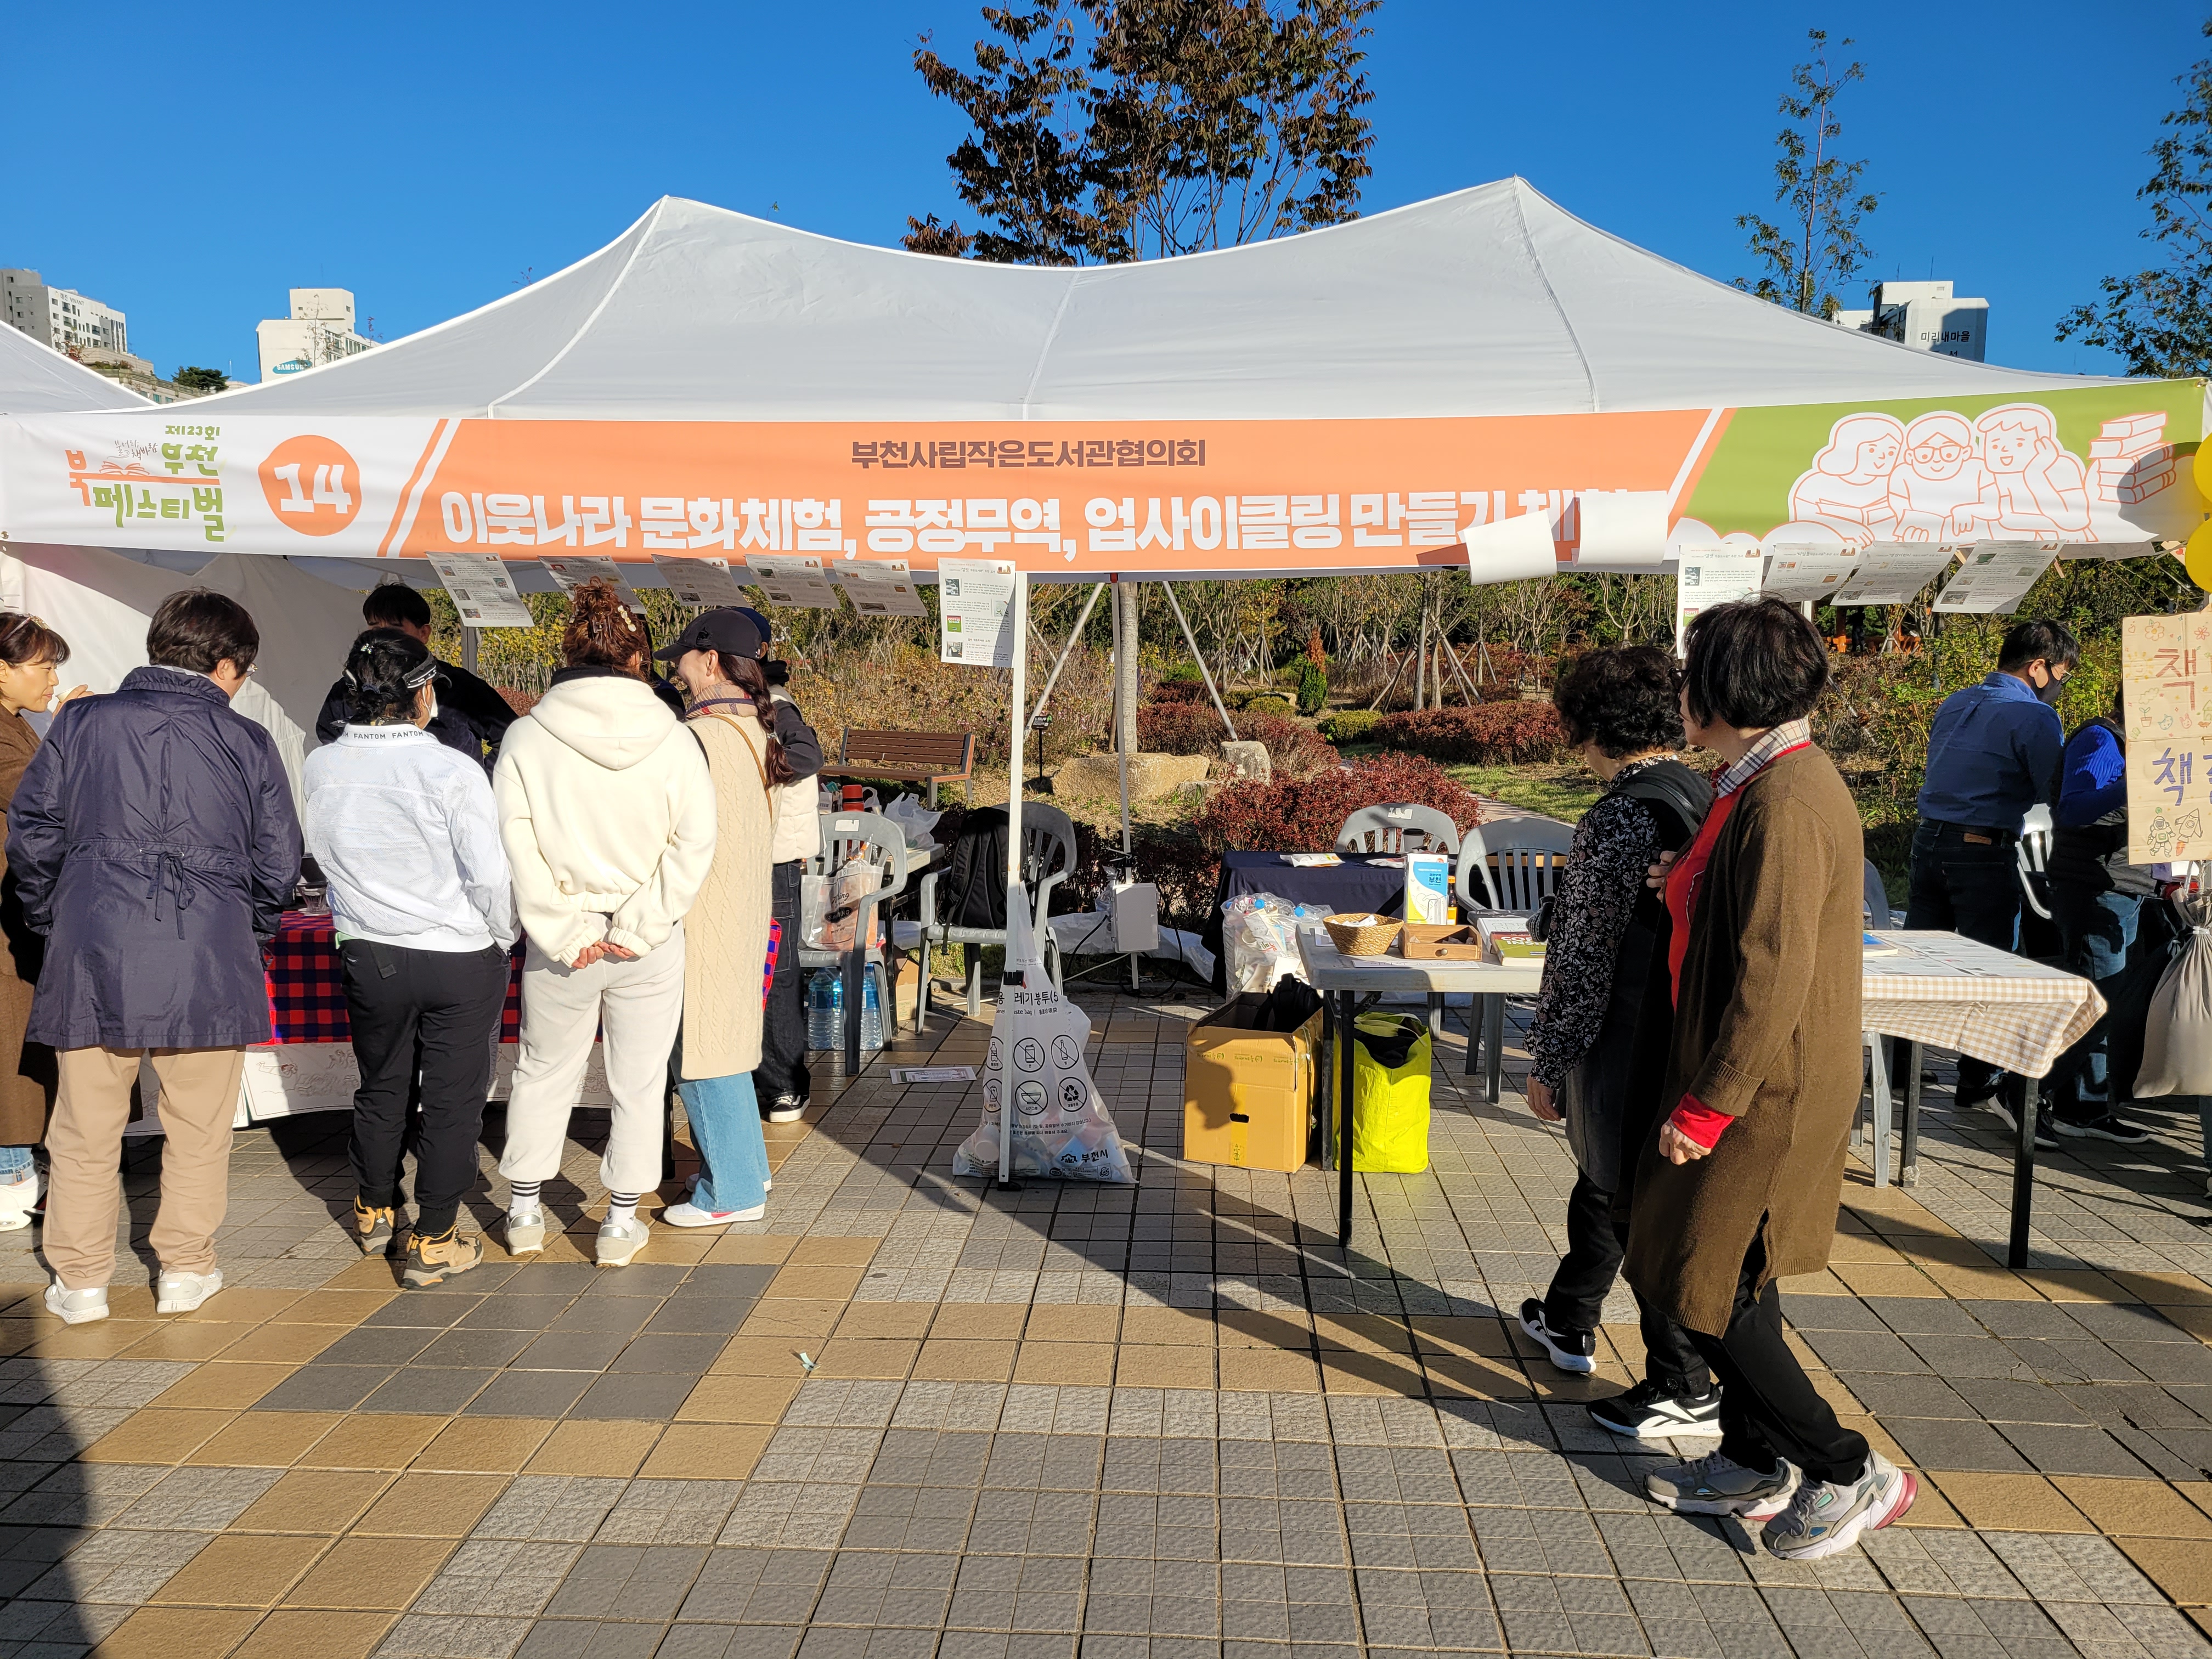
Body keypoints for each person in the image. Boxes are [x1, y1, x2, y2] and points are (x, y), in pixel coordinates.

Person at [1627, 597, 1915, 1561]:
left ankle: (1845, 1467)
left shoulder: (1785, 800)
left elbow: (1773, 969)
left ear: (1725, 689)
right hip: (1753, 1075)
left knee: (1705, 1278)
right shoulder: (1758, 780)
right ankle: (1752, 1458)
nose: (1680, 690)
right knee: (1729, 1272)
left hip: (1763, 1088)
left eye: (1691, 672)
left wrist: (1711, 1103)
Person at [12, 591, 301, 1323]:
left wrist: (54, 919)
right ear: (227, 665)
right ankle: (185, 1269)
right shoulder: (247, 740)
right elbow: (279, 860)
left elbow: (33, 835)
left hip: (94, 945)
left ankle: (81, 1282)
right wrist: (249, 932)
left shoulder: (80, 722)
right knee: (199, 1126)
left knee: (83, 1127)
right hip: (208, 951)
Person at [1517, 646, 1719, 1438]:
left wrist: (1550, 1060)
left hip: (1630, 1035)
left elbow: (1582, 957)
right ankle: (1569, 1318)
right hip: (1683, 1028)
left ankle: (1683, 1380)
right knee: (1609, 1184)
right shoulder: (1702, 793)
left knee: (1634, 1204)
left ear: (1590, 728)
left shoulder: (1620, 814)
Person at [493, 580, 715, 1267]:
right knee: (639, 1080)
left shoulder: (527, 736)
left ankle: (524, 1211)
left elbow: (515, 844)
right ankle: (620, 1222)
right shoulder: (676, 740)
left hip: (564, 940)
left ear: (568, 651)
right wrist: (640, 924)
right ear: (639, 658)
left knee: (542, 1070)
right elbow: (693, 844)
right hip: (645, 940)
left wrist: (564, 928)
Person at [303, 630, 520, 1286]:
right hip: (457, 952)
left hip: (371, 950)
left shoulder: (322, 764)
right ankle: (434, 1239)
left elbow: (324, 857)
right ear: (424, 693)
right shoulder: (450, 769)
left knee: (382, 1083)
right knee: (452, 1102)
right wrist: (502, 933)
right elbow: (489, 874)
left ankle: (374, 1211)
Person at [1904, 617, 2076, 1132]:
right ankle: (1980, 1080)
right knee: (1991, 967)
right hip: (1981, 850)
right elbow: (2055, 790)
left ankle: (1897, 1067)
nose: (2060, 685)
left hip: (1927, 842)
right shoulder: (2034, 716)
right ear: (2039, 667)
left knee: (1919, 963)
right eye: (2062, 674)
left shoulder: (1957, 701)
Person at [656, 610, 781, 1225]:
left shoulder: (696, 735)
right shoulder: (758, 726)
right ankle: (748, 1168)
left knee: (701, 1047)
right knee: (727, 1039)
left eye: (683, 658)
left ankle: (730, 1191)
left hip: (700, 908)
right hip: (745, 903)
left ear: (710, 661)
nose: (676, 670)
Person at [2045, 687, 2161, 1146]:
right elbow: (2074, 808)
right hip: (2095, 889)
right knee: (2100, 1002)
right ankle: (2023, 1089)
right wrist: (2139, 781)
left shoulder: (2153, 750)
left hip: (2130, 888)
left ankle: (2084, 1107)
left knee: (2109, 999)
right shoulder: (2101, 739)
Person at [0, 616, 83, 1231]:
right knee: (10, 1042)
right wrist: (67, 732)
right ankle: (12, 1175)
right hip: (8, 919)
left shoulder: (17, 724)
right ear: (2, 669)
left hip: (19, 913)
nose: (52, 679)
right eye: (43, 666)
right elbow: (39, 796)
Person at [737, 608, 823, 1124]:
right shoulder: (734, 701)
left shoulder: (776, 704)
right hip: (742, 853)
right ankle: (753, 1075)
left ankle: (786, 1084)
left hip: (775, 857)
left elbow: (808, 757)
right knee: (749, 970)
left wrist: (755, 776)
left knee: (779, 970)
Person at [315, 582, 517, 770]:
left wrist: (484, 780)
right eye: (375, 628)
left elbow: (512, 736)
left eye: (395, 629)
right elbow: (329, 739)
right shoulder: (348, 688)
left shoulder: (460, 687)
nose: (383, 638)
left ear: (424, 633)